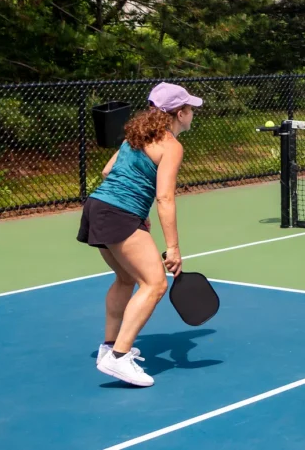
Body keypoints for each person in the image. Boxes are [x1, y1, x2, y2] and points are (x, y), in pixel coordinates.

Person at [78, 82, 201, 387]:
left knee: (125, 279)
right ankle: (119, 358)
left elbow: (108, 172)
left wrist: (135, 211)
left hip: (97, 207)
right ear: (179, 113)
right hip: (118, 213)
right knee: (155, 284)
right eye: (190, 108)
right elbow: (165, 198)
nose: (193, 113)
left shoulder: (134, 136)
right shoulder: (171, 146)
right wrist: (173, 247)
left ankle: (108, 349)